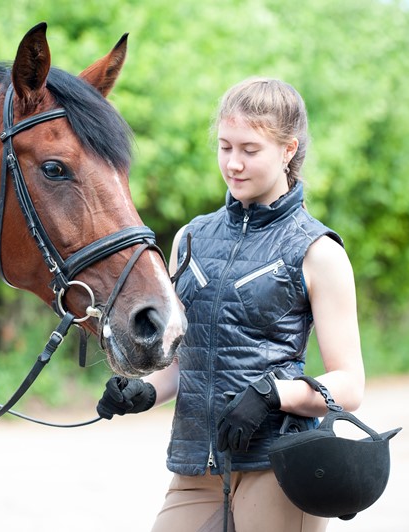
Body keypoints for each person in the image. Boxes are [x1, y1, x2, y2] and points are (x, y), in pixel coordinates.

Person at [95, 77, 365, 532]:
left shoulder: (319, 252)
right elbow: (184, 362)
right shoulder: (190, 238)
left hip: (278, 464)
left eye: (249, 150)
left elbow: (350, 386)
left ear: (288, 150)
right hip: (196, 463)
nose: (233, 163)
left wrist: (271, 394)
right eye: (224, 147)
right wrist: (145, 390)